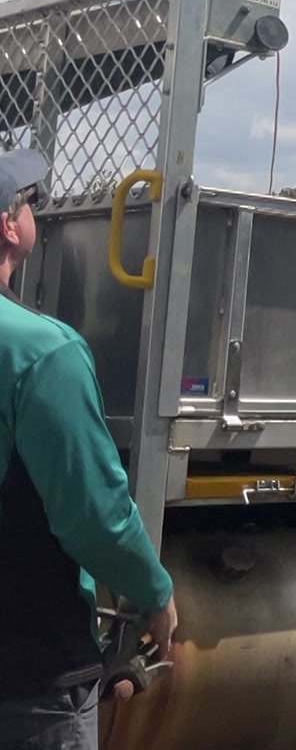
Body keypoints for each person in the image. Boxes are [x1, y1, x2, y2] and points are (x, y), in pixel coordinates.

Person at [0, 148, 177, 747]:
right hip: (26, 672)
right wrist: (154, 591)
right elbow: (93, 516)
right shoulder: (41, 352)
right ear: (8, 224)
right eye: (30, 201)